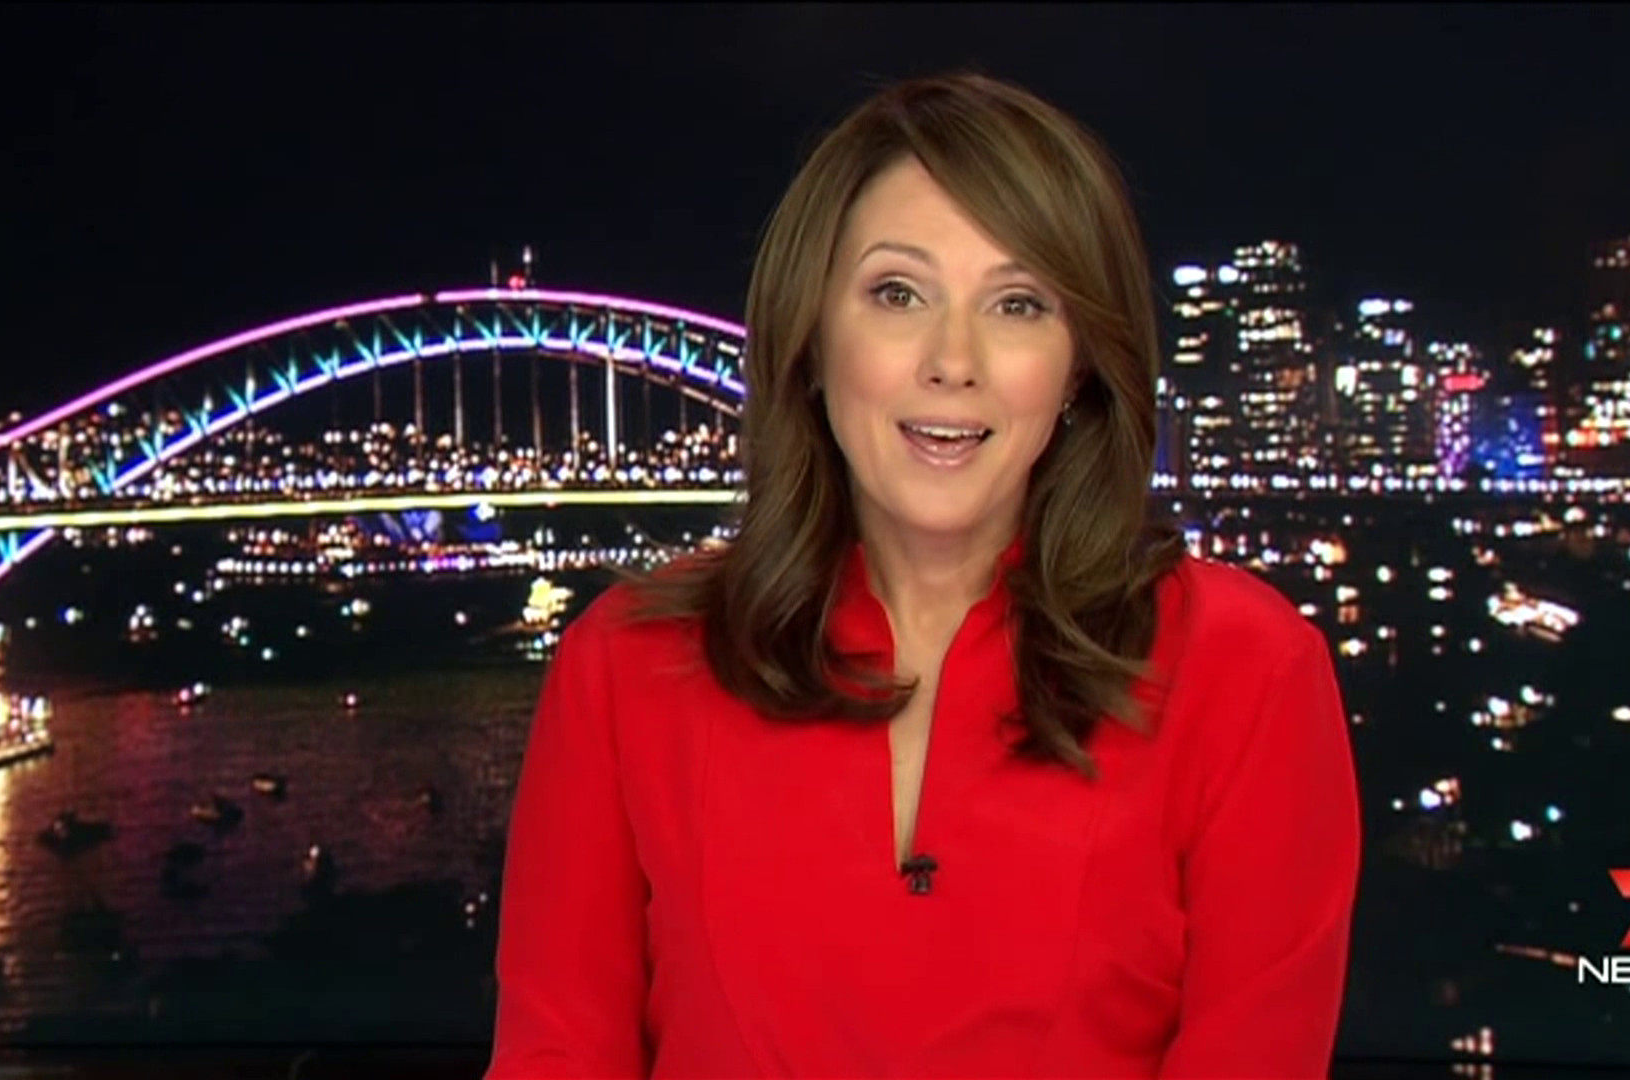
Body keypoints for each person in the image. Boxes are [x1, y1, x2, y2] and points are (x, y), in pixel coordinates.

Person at [486, 72, 1361, 1079]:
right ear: (813, 339)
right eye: (898, 294)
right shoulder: (628, 663)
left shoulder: (1246, 671)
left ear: (1079, 365)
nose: (954, 360)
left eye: (1019, 304)